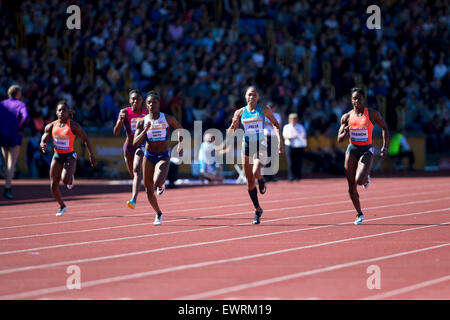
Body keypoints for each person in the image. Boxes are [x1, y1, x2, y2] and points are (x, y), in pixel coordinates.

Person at [227, 86, 284, 224]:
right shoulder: (240, 112)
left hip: (260, 145)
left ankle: (261, 180)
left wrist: (279, 141)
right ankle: (258, 209)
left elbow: (276, 124)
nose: (251, 97)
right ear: (245, 97)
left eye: (254, 95)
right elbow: (230, 134)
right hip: (246, 147)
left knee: (256, 171)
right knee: (249, 183)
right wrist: (233, 126)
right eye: (249, 95)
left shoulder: (264, 109)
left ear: (258, 97)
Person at [337, 88, 389, 225]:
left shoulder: (371, 114)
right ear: (351, 99)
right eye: (354, 98)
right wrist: (345, 132)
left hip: (366, 150)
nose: (356, 101)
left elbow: (385, 127)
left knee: (359, 180)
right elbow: (339, 139)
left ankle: (365, 178)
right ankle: (359, 213)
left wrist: (385, 146)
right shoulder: (346, 117)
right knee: (351, 186)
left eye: (359, 98)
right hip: (352, 149)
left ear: (363, 99)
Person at [133, 91, 183, 225]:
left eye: (154, 102)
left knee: (157, 182)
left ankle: (161, 183)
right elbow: (135, 142)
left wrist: (180, 144)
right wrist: (144, 130)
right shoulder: (142, 121)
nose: (151, 105)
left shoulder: (166, 118)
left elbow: (179, 128)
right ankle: (158, 213)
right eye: (148, 103)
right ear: (146, 105)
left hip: (163, 156)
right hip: (149, 156)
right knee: (149, 190)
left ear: (159, 104)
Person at [40, 100, 97, 216]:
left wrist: (91, 155)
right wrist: (42, 143)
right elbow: (44, 137)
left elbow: (85, 139)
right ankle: (62, 206)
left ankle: (70, 178)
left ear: (68, 112)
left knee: (65, 180)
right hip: (57, 156)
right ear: (56, 112)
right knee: (53, 186)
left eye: (64, 110)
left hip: (69, 156)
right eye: (59, 110)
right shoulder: (51, 126)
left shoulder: (73, 126)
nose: (61, 112)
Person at [113, 89, 148, 209]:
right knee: (134, 175)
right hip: (128, 147)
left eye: (138, 99)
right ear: (129, 100)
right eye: (133, 99)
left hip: (140, 145)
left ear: (141, 100)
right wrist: (120, 120)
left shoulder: (146, 113)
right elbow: (116, 132)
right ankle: (140, 189)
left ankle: (133, 200)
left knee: (137, 171)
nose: (135, 101)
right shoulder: (124, 112)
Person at [0, 85, 29, 200]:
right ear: (18, 94)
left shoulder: (2, 104)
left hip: (2, 133)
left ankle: (4, 175)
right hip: (14, 134)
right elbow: (26, 117)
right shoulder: (21, 105)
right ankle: (7, 188)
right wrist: (20, 128)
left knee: (5, 160)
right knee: (11, 163)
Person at [282, 113, 307, 181]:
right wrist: (292, 136)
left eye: (295, 119)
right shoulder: (286, 127)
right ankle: (291, 177)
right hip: (289, 146)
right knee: (290, 162)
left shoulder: (300, 127)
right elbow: (285, 136)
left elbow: (303, 135)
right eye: (292, 119)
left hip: (298, 146)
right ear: (289, 120)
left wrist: (300, 136)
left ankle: (298, 176)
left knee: (298, 162)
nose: (293, 120)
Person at [263, 102, 282, 181]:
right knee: (267, 156)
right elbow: (264, 123)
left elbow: (278, 125)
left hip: (274, 136)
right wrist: (273, 123)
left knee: (274, 156)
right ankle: (265, 175)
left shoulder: (277, 115)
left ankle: (272, 175)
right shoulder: (264, 115)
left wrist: (271, 123)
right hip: (266, 136)